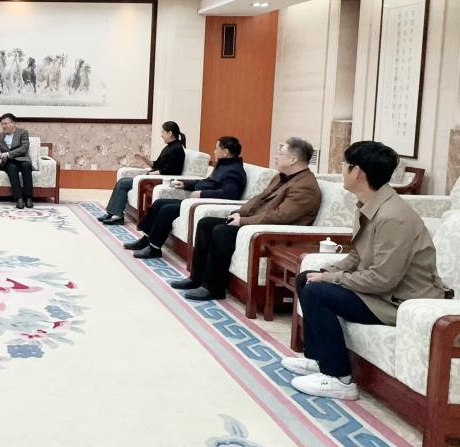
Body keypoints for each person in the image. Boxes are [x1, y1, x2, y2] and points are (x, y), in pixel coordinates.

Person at [281, 141, 450, 400]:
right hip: (382, 293)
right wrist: (327, 271)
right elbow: (358, 255)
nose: (342, 170)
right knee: (307, 280)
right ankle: (318, 358)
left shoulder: (394, 217)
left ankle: (340, 378)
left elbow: (383, 279)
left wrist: (330, 278)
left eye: (345, 165)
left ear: (358, 171)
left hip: (399, 301)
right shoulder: (369, 205)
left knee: (317, 293)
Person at [173, 137, 322, 301]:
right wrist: (239, 213)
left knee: (221, 231)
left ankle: (214, 288)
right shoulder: (281, 177)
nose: (276, 157)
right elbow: (258, 199)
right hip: (255, 223)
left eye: (280, 153)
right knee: (206, 223)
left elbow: (280, 217)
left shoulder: (305, 186)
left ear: (293, 159)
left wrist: (243, 221)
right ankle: (196, 279)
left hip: (273, 234)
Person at [126, 136, 247, 259]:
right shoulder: (223, 166)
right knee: (159, 203)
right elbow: (206, 182)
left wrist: (202, 194)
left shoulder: (234, 170)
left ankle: (154, 248)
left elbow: (229, 193)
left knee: (167, 210)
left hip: (201, 204)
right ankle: (146, 239)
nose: (214, 151)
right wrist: (185, 184)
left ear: (225, 152)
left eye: (216, 148)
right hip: (195, 201)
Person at [99, 121, 187, 225]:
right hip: (152, 177)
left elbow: (171, 171)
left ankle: (117, 216)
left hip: (159, 181)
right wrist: (144, 159)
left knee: (123, 183)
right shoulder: (169, 147)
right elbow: (156, 165)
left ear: (170, 133)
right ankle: (112, 213)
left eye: (163, 132)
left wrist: (149, 175)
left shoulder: (177, 149)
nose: (161, 135)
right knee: (122, 181)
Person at [0, 113, 35, 209]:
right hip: (9, 161)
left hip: (22, 158)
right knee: (12, 168)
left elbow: (24, 148)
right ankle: (19, 198)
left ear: (13, 123)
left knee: (26, 166)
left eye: (6, 124)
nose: (3, 126)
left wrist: (8, 154)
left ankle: (29, 197)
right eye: (2, 124)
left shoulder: (23, 132)